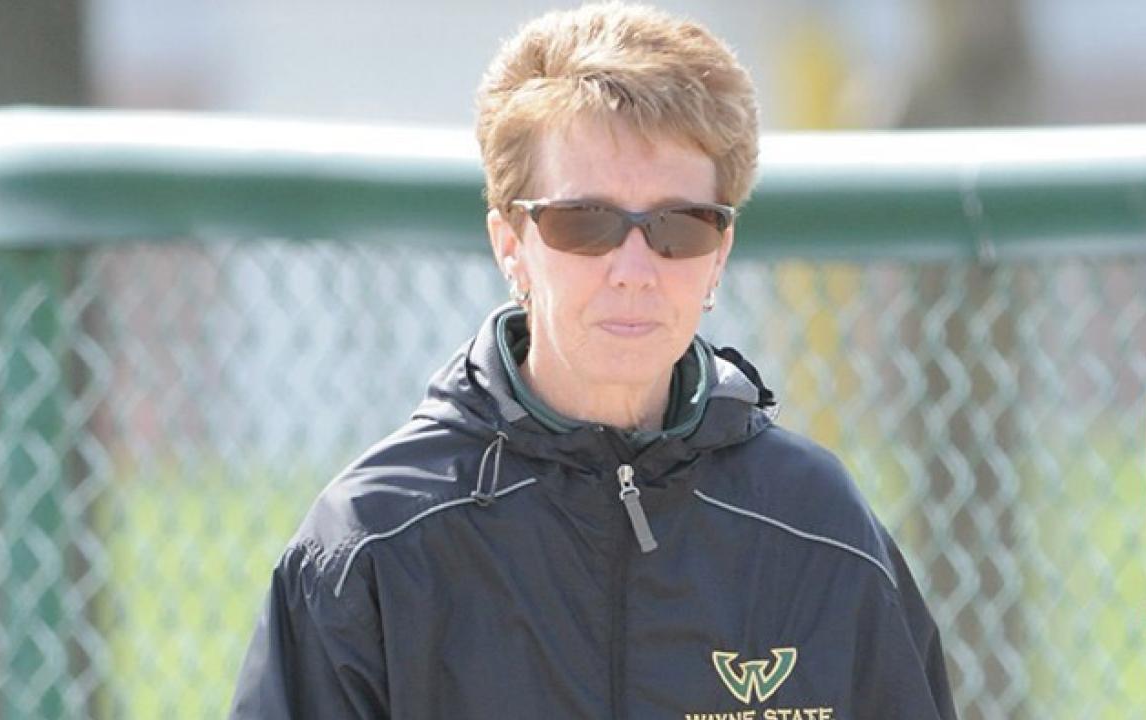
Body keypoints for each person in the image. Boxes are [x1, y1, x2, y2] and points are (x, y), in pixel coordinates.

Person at [229, 3, 957, 718]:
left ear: (720, 254)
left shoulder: (817, 529)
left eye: (679, 226)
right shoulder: (373, 548)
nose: (633, 270)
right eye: (585, 223)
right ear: (510, 244)